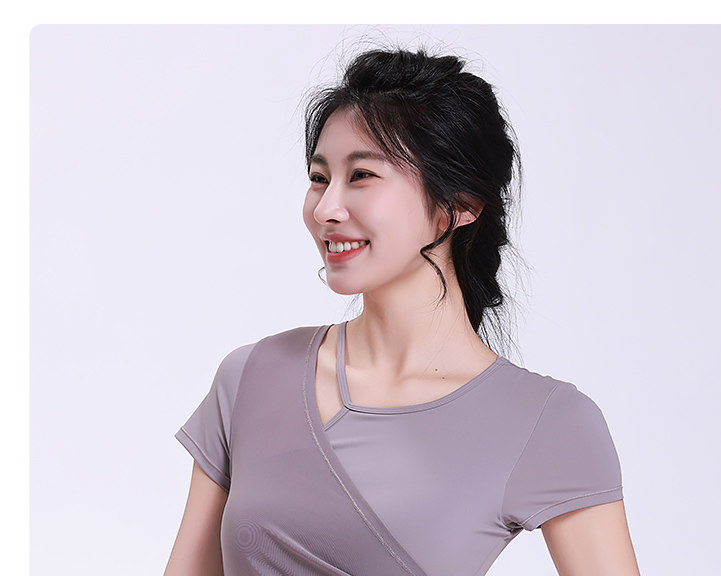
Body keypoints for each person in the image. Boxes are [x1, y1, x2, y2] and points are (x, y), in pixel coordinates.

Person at [164, 47, 640, 576]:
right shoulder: (252, 376)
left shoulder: (549, 422)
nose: (326, 209)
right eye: (319, 177)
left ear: (460, 204)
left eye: (362, 175)